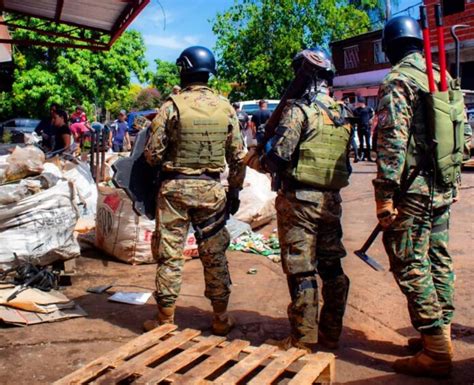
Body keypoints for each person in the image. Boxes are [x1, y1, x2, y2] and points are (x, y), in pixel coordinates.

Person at [373, 15, 465, 377]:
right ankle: (439, 332)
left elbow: (391, 142)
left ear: (389, 47)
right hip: (442, 184)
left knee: (410, 262)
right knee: (438, 257)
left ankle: (436, 351)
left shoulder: (398, 80)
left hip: (413, 189)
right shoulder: (442, 75)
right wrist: (451, 181)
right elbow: (465, 137)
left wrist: (384, 196)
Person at [246, 47, 351, 352]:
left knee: (301, 269)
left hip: (299, 202)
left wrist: (255, 161)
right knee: (332, 267)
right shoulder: (342, 113)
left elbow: (278, 158)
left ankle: (303, 339)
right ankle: (330, 332)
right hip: (331, 201)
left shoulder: (299, 110)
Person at [143, 46, 246, 336]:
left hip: (174, 189)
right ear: (209, 72)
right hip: (212, 190)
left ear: (184, 70)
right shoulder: (226, 107)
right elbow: (238, 157)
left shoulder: (171, 106)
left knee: (170, 254)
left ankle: (165, 319)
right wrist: (234, 191)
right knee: (214, 254)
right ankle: (220, 317)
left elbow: (152, 154)